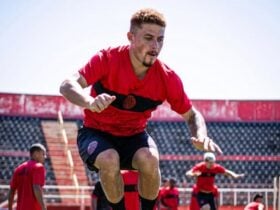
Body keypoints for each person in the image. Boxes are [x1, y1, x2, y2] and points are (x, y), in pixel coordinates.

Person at [60, 8, 222, 210]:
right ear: (131, 37)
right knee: (110, 159)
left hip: (134, 135)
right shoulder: (107, 59)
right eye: (148, 38)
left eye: (160, 40)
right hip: (96, 132)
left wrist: (201, 134)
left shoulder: (167, 77)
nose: (155, 46)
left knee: (150, 158)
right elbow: (67, 85)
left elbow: (192, 115)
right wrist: (89, 101)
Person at [8, 143, 47, 210]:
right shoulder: (39, 167)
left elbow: (12, 191)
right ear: (36, 154)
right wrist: (43, 207)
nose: (45, 157)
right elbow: (36, 187)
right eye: (43, 154)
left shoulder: (18, 168)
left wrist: (10, 208)